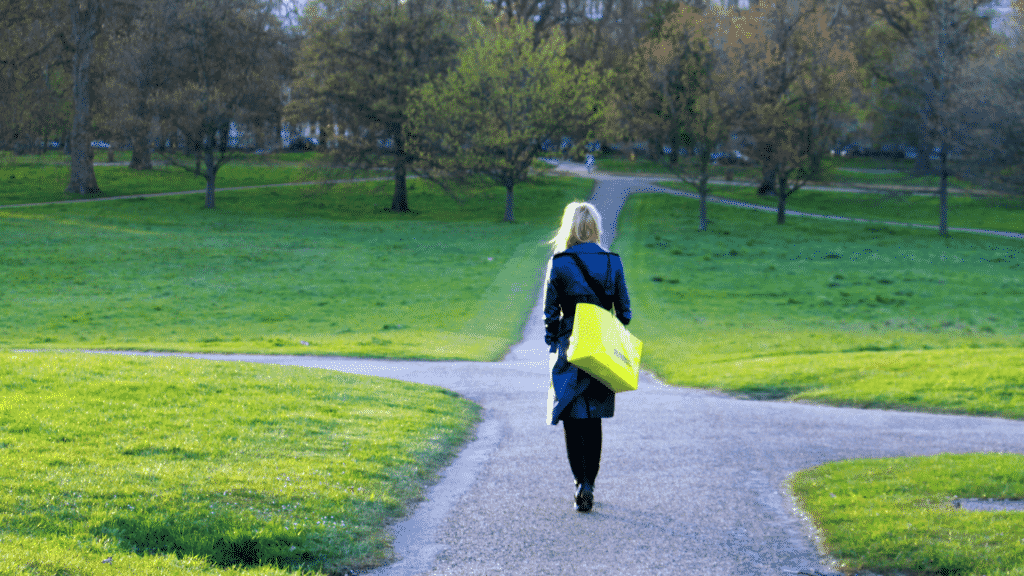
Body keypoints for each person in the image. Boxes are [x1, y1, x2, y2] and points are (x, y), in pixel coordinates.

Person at [544, 201, 631, 512]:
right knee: (594, 420)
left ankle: (579, 482)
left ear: (569, 228)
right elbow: (626, 313)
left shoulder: (559, 263)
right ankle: (589, 483)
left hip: (569, 349)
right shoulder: (612, 262)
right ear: (595, 227)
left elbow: (549, 316)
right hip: (602, 349)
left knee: (571, 419)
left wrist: (554, 343)